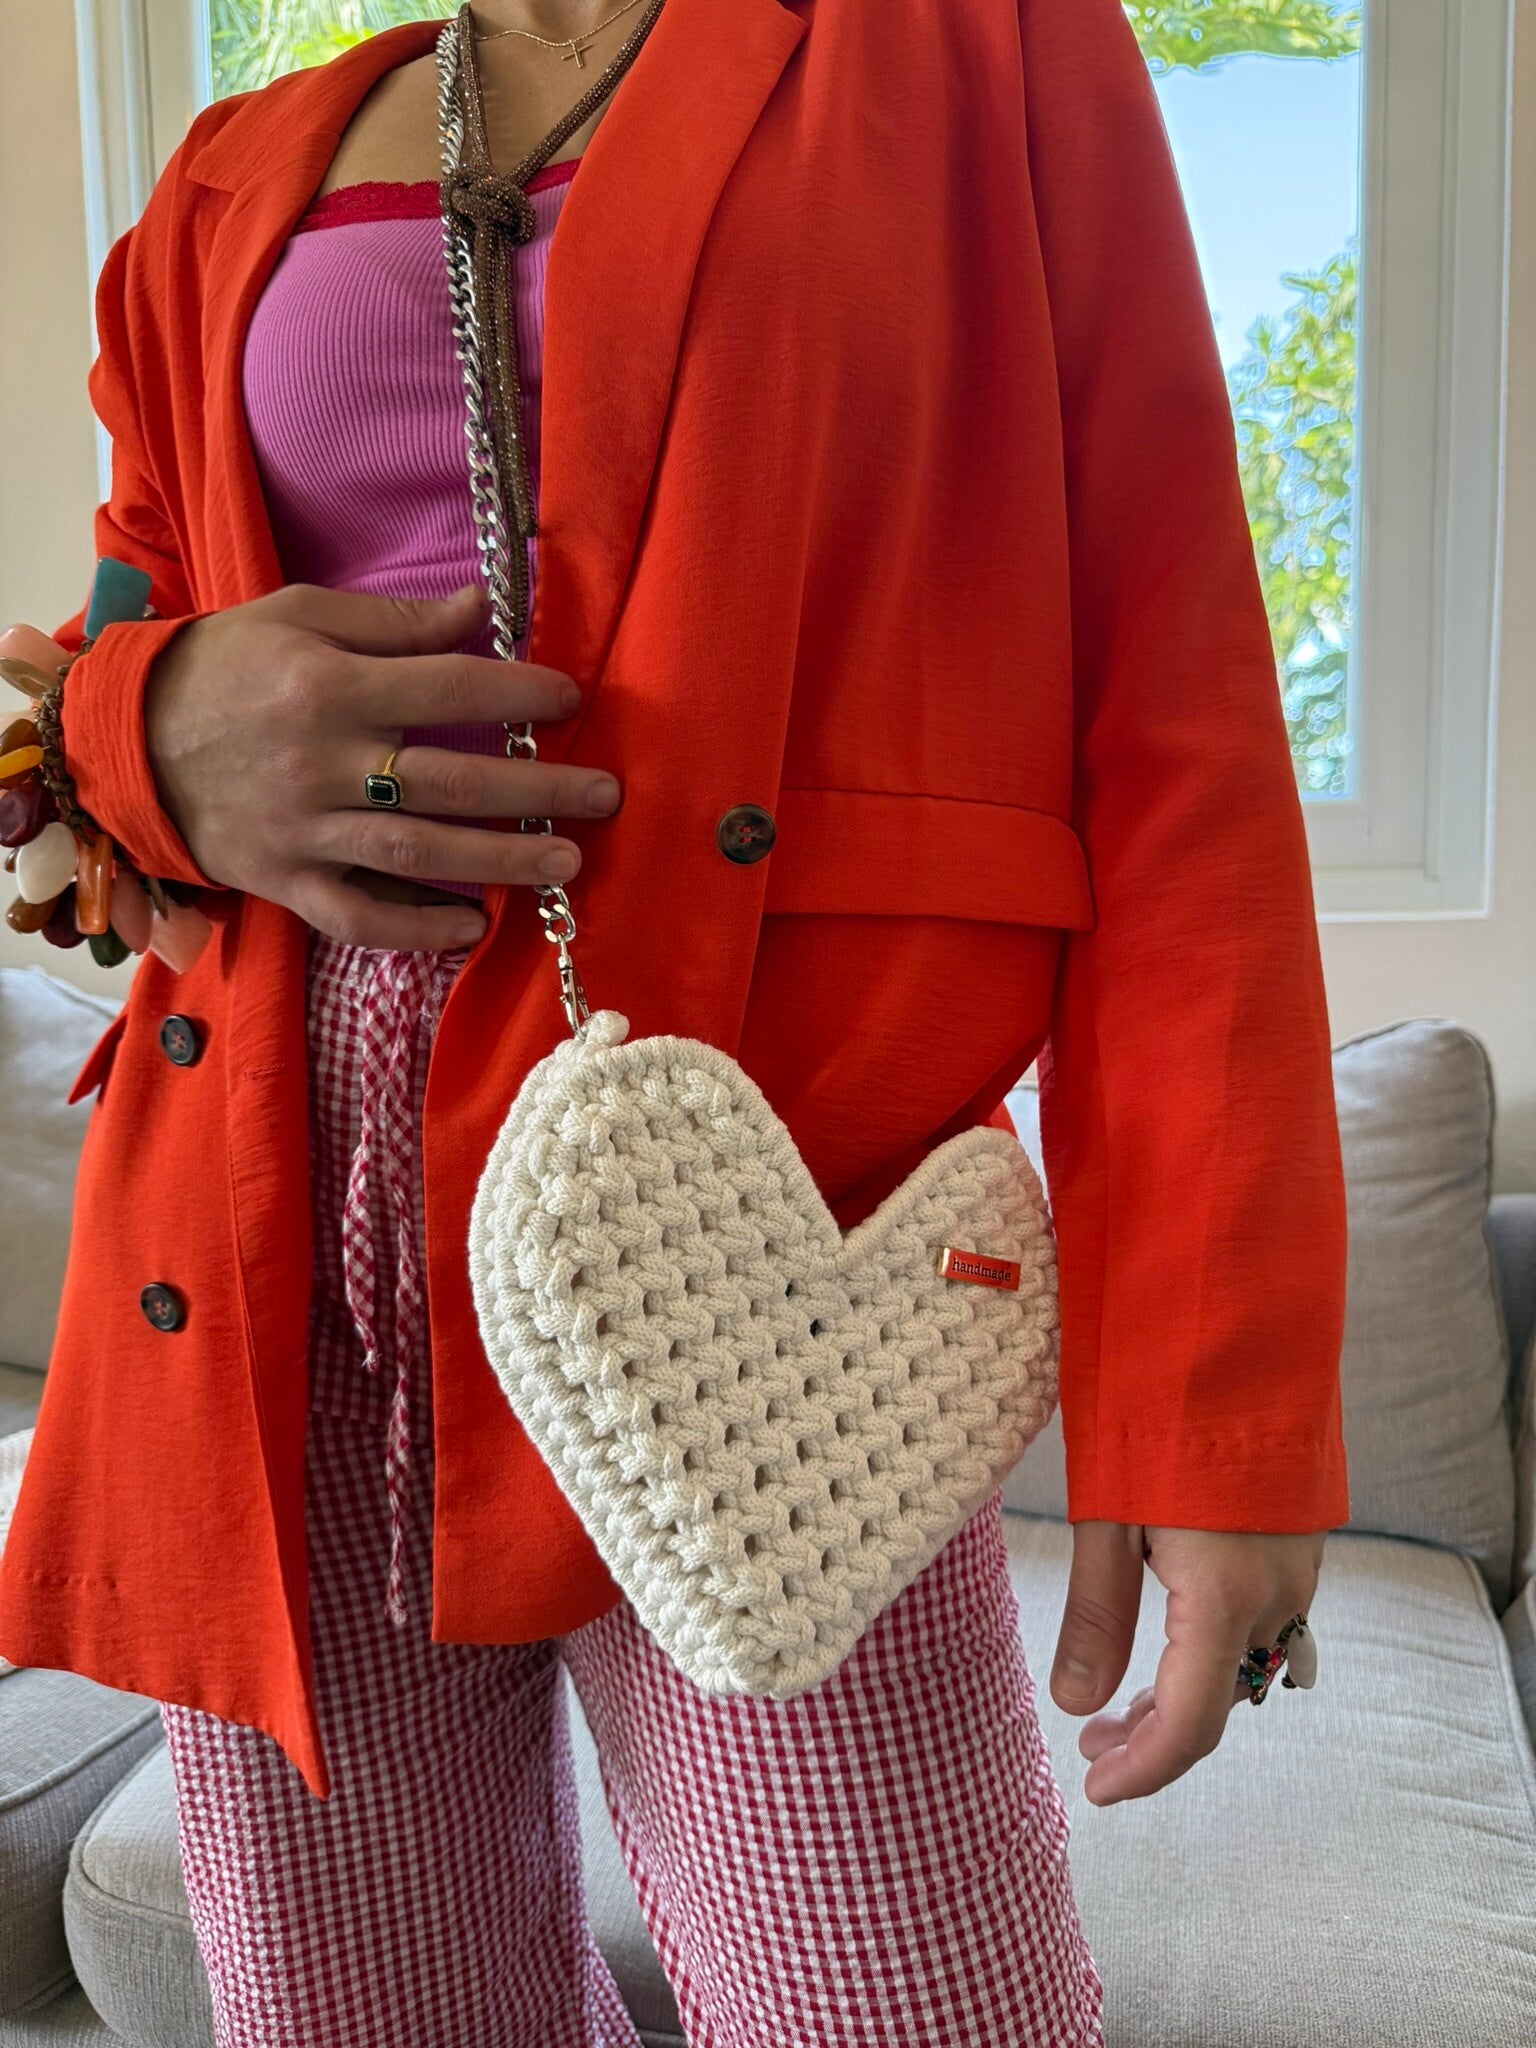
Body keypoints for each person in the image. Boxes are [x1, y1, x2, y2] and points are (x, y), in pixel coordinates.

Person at [0, 1, 1349, 2042]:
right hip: (265, 1216)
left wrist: (1219, 1416)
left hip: (763, 1210)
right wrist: (150, 727)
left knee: (900, 2005)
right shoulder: (226, 172)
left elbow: (1173, 720)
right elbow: (124, 631)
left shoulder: (971, 53)